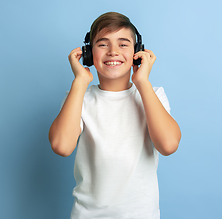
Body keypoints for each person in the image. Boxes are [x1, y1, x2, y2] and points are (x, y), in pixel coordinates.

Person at [49, 12, 181, 219]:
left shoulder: (153, 95)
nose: (113, 52)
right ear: (89, 53)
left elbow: (168, 145)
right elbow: (61, 146)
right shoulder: (79, 98)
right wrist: (80, 82)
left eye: (123, 44)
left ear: (137, 52)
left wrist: (143, 82)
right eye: (103, 44)